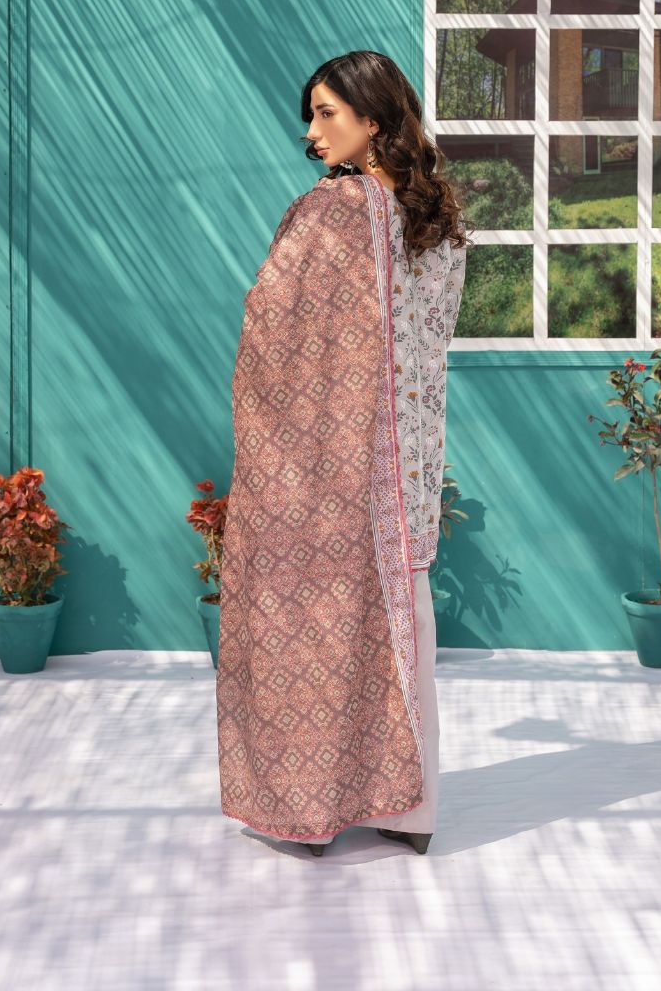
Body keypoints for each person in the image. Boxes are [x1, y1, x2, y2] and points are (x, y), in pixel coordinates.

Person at [216, 50, 469, 857]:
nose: (313, 130)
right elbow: (431, 339)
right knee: (405, 621)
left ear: (373, 117)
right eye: (311, 115)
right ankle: (411, 810)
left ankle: (313, 812)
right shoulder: (437, 218)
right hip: (409, 453)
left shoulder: (333, 210)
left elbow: (269, 318)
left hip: (331, 456)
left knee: (317, 620)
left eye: (327, 112)